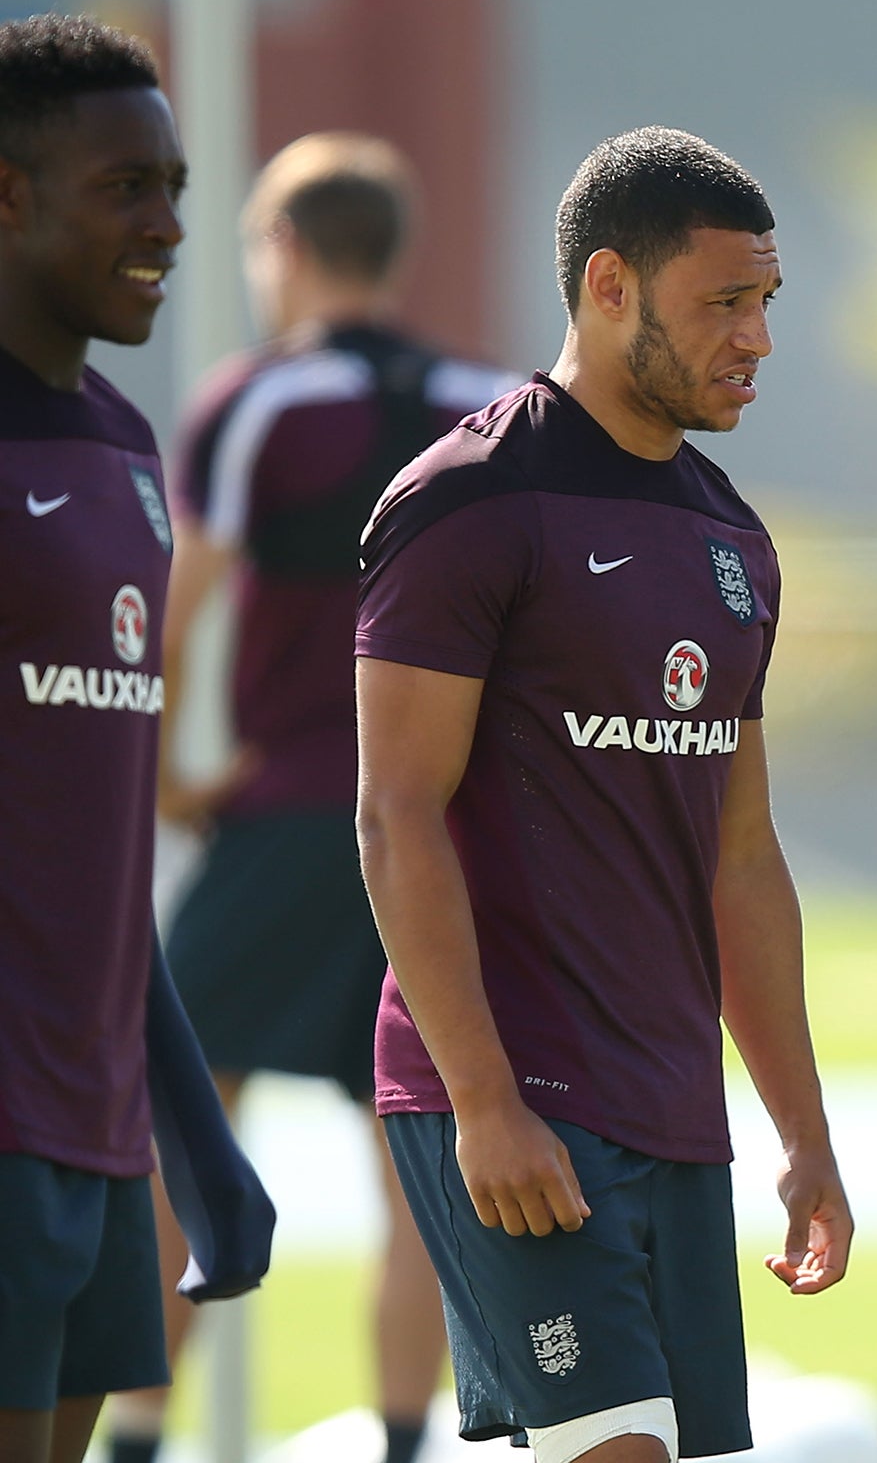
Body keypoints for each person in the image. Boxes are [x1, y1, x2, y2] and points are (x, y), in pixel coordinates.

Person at [355, 126, 851, 1463]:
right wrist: (483, 1101)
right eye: (723, 304)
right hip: (522, 1095)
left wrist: (800, 1137)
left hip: (676, 1111)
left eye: (766, 304)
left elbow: (741, 860)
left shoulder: (733, 539)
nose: (755, 337)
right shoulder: (467, 501)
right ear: (611, 287)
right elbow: (393, 815)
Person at [105, 132, 518, 1463]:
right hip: (443, 836)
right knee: (414, 1151)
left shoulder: (257, 401)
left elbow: (178, 605)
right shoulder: (492, 401)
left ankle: (131, 1439)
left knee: (182, 1118)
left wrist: (168, 775)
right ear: (391, 250)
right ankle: (408, 1444)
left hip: (293, 811)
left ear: (280, 248)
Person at [0, 12, 270, 1463]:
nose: (170, 225)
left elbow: (98, 867)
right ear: (8, 194)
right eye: (127, 189)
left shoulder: (121, 448)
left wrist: (189, 1128)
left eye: (175, 186)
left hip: (96, 1135)